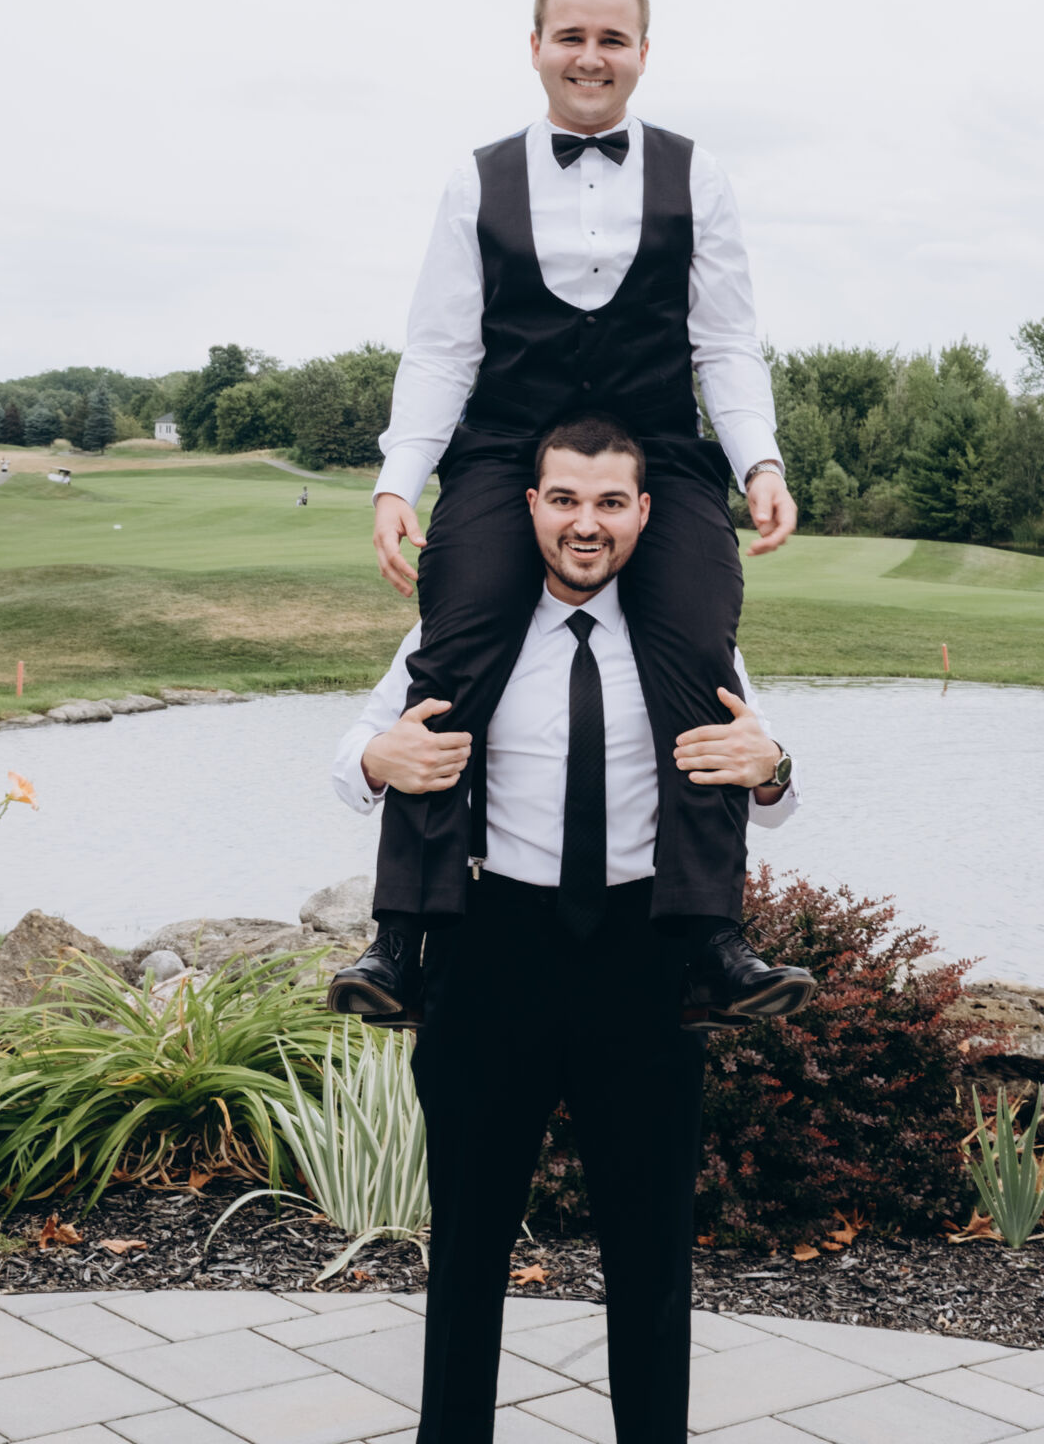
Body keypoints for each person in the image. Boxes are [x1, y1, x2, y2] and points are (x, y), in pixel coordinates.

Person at [330, 418, 811, 1444]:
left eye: (608, 504)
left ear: (644, 511)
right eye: (563, 500)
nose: (584, 525)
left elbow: (766, 787)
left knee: (651, 1255)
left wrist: (772, 766)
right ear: (530, 506)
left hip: (645, 960)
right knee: (468, 1249)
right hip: (489, 954)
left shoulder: (687, 639)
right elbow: (354, 750)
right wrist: (376, 761)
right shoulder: (468, 630)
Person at [361, 0, 798, 1020]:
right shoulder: (477, 177)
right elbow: (440, 348)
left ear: (642, 52)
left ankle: (709, 939)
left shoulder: (698, 174)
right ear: (535, 47)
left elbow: (726, 340)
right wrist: (398, 480)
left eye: (611, 39)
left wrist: (759, 460)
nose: (590, 57)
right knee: (456, 639)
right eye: (571, 36)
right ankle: (402, 935)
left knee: (697, 638)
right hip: (508, 446)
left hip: (658, 444)